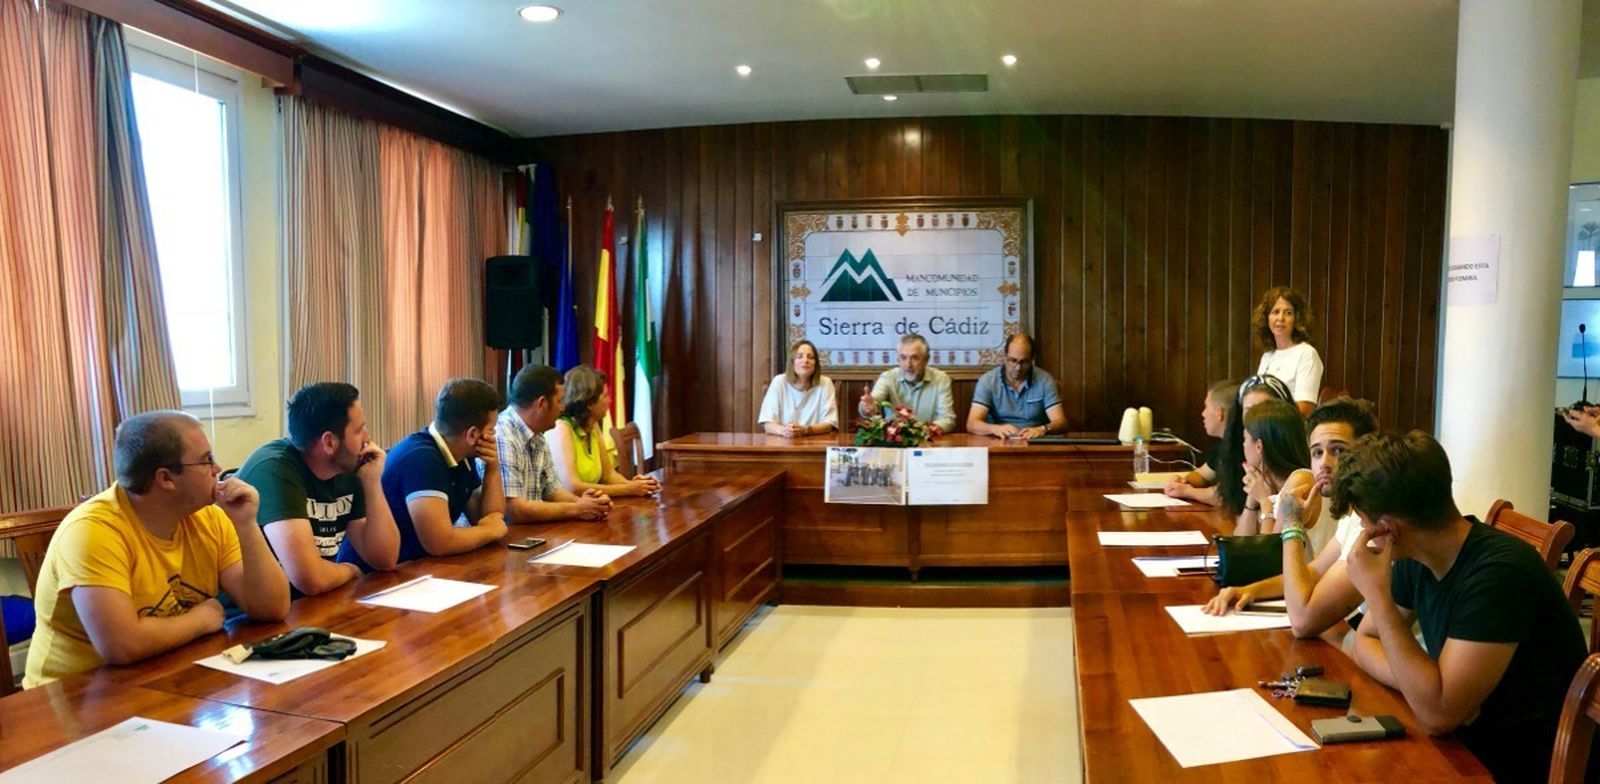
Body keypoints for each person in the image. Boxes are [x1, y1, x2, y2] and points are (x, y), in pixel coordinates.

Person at [1336, 431, 1588, 782]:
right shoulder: (1418, 557)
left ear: (1388, 529)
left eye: (1363, 523)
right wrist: (1422, 687)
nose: (1363, 531)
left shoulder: (1499, 574)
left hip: (1518, 766)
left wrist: (1378, 597)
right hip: (1464, 747)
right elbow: (1365, 644)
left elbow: (1437, 715)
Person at [23, 412, 289, 686]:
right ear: (165, 478)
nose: (217, 467)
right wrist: (202, 619)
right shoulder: (93, 530)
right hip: (73, 698)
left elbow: (273, 608)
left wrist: (246, 524)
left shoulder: (209, 517)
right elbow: (122, 645)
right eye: (207, 460)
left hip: (167, 673)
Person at [1203, 398, 1378, 639]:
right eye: (1317, 452)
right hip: (1353, 636)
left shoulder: (1372, 525)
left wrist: (1292, 522)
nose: (1324, 463)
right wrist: (1248, 591)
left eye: (1338, 450)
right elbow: (1314, 572)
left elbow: (1303, 622)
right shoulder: (1354, 515)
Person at [237, 383, 399, 598]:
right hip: (249, 618)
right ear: (329, 442)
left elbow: (384, 558)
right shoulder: (274, 469)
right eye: (359, 430)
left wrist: (372, 483)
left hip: (309, 605)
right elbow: (310, 578)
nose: (367, 438)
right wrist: (350, 570)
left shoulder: (350, 468)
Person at [346, 378, 508, 569]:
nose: (492, 436)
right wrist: (490, 531)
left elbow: (487, 516)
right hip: (372, 578)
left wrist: (493, 468)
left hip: (413, 569)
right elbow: (439, 542)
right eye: (491, 430)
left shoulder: (461, 453)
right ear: (472, 434)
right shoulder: (422, 459)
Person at [497, 364, 614, 523]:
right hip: (503, 540)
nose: (563, 407)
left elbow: (553, 491)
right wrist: (578, 509)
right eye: (559, 401)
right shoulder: (503, 435)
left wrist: (588, 504)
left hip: (530, 534)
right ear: (542, 404)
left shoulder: (538, 434)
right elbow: (514, 510)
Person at [550, 366, 661, 497]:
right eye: (605, 396)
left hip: (591, 506)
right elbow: (572, 487)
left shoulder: (593, 425)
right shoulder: (561, 428)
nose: (610, 401)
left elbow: (608, 474)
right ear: (589, 404)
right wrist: (629, 489)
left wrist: (632, 485)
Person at [1212, 375, 1295, 523]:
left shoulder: (1295, 476)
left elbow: (1270, 543)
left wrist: (1264, 501)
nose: (1257, 417)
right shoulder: (1238, 449)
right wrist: (1252, 499)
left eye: (1264, 408)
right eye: (1250, 410)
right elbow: (1242, 540)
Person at [1233, 397, 1315, 536]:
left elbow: (1269, 552)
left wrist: (1265, 502)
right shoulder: (1267, 483)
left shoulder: (1300, 480)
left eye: (1244, 439)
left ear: (1259, 446)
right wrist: (1252, 499)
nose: (1242, 445)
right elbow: (1239, 544)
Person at [966, 333, 1068, 440]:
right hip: (999, 441)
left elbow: (1061, 422)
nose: (1018, 368)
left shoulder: (1045, 380)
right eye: (1013, 361)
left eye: (1024, 362)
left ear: (1032, 360)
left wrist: (1042, 429)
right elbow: (972, 424)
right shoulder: (988, 381)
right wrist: (995, 429)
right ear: (1004, 357)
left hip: (1035, 442)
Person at [856, 333, 956, 433]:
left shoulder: (941, 379)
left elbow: (947, 419)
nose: (908, 364)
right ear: (898, 360)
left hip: (929, 441)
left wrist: (925, 431)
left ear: (926, 360)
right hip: (895, 442)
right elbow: (874, 402)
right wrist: (866, 407)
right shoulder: (888, 378)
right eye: (903, 358)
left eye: (914, 358)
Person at [1163, 378, 1237, 506]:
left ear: (1219, 413)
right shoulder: (1224, 443)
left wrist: (1187, 492)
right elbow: (1203, 474)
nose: (1203, 414)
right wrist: (1183, 481)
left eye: (1206, 407)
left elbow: (1226, 497)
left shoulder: (1240, 446)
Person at [1253, 286, 1324, 417]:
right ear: (1267, 318)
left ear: (1297, 319)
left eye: (1288, 313)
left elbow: (1305, 408)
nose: (1280, 318)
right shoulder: (1267, 357)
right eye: (1275, 312)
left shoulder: (1306, 353)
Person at [758, 340, 839, 437]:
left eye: (811, 357)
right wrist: (784, 431)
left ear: (816, 364)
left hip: (814, 442)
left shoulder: (826, 383)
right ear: (792, 363)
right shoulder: (779, 382)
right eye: (799, 356)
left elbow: (830, 423)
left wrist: (806, 430)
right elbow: (767, 423)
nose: (805, 360)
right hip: (782, 443)